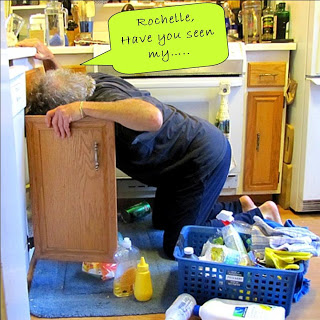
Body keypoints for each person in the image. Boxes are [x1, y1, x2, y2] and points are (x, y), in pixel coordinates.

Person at [18, 39, 282, 258]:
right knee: (162, 222)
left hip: (202, 157)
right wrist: (49, 60)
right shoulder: (83, 85)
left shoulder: (100, 100)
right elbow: (63, 86)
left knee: (176, 248)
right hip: (177, 168)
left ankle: (257, 217)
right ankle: (238, 207)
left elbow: (152, 116)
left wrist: (82, 109)